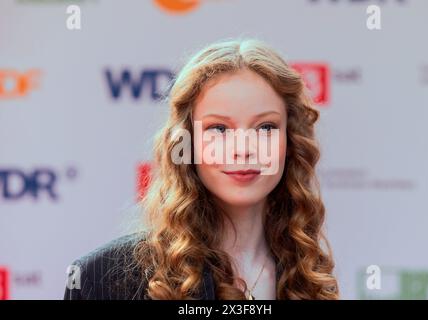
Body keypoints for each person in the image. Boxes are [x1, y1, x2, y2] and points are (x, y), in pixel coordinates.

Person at [64, 37, 339, 300]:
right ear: (186, 144)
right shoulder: (99, 280)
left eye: (265, 127)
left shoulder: (309, 276)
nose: (242, 149)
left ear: (289, 142)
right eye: (218, 129)